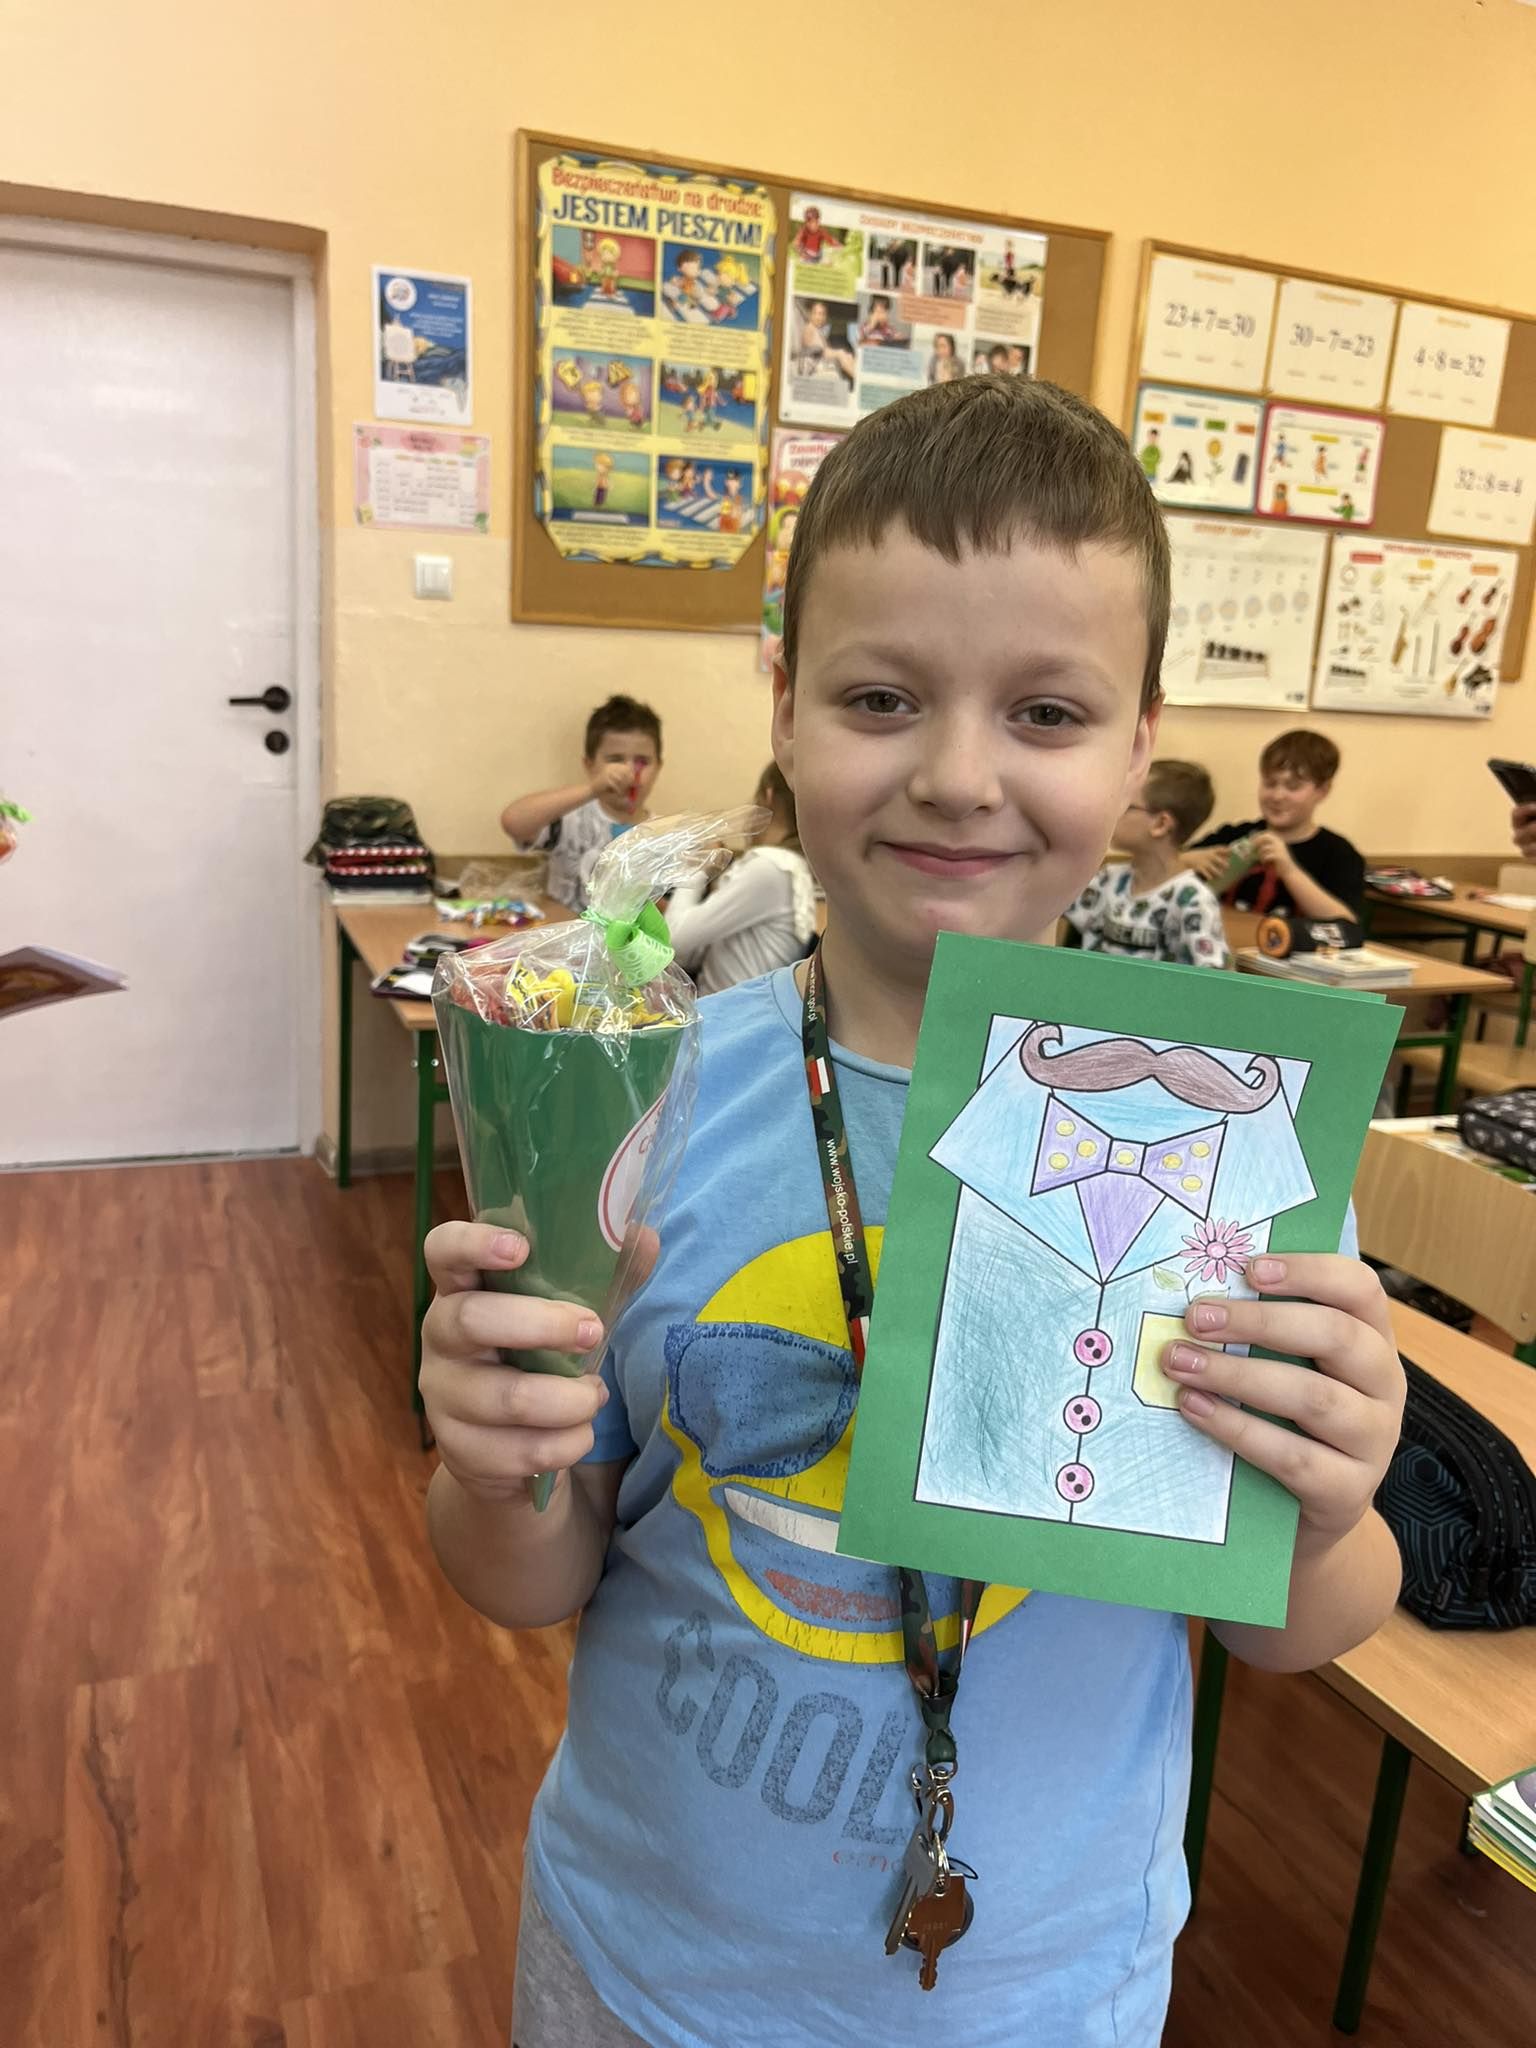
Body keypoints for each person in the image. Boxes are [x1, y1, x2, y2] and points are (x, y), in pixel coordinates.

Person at [425, 377, 1404, 2047]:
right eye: (881, 698)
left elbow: (1294, 1627)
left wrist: (1323, 1514)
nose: (957, 776)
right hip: (648, 1969)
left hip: (1046, 1995)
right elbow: (527, 1577)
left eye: (1047, 713)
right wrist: (491, 1457)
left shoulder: (1231, 1134)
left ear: (1140, 742)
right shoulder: (640, 1097)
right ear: (785, 705)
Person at [499, 694, 661, 912]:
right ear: (590, 766)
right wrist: (592, 789)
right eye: (615, 760)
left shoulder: (664, 835)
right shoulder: (570, 821)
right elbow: (513, 821)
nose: (629, 772)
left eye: (642, 762)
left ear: (658, 767)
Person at [666, 763, 818, 994]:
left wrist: (698, 868)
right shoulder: (791, 867)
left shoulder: (769, 867)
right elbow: (690, 953)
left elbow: (671, 942)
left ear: (768, 796)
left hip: (725, 1011)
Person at [1065, 758, 1229, 966]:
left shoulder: (1193, 901)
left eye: (1126, 805)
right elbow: (1046, 909)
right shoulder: (1108, 879)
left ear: (1161, 824)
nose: (1114, 811)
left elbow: (1213, 976)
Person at [1189, 729, 1366, 920]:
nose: (1277, 796)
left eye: (1293, 786)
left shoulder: (1339, 854)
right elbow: (1172, 871)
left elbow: (1347, 923)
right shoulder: (1233, 835)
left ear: (1323, 790)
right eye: (1270, 783)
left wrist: (1289, 871)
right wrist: (1188, 860)